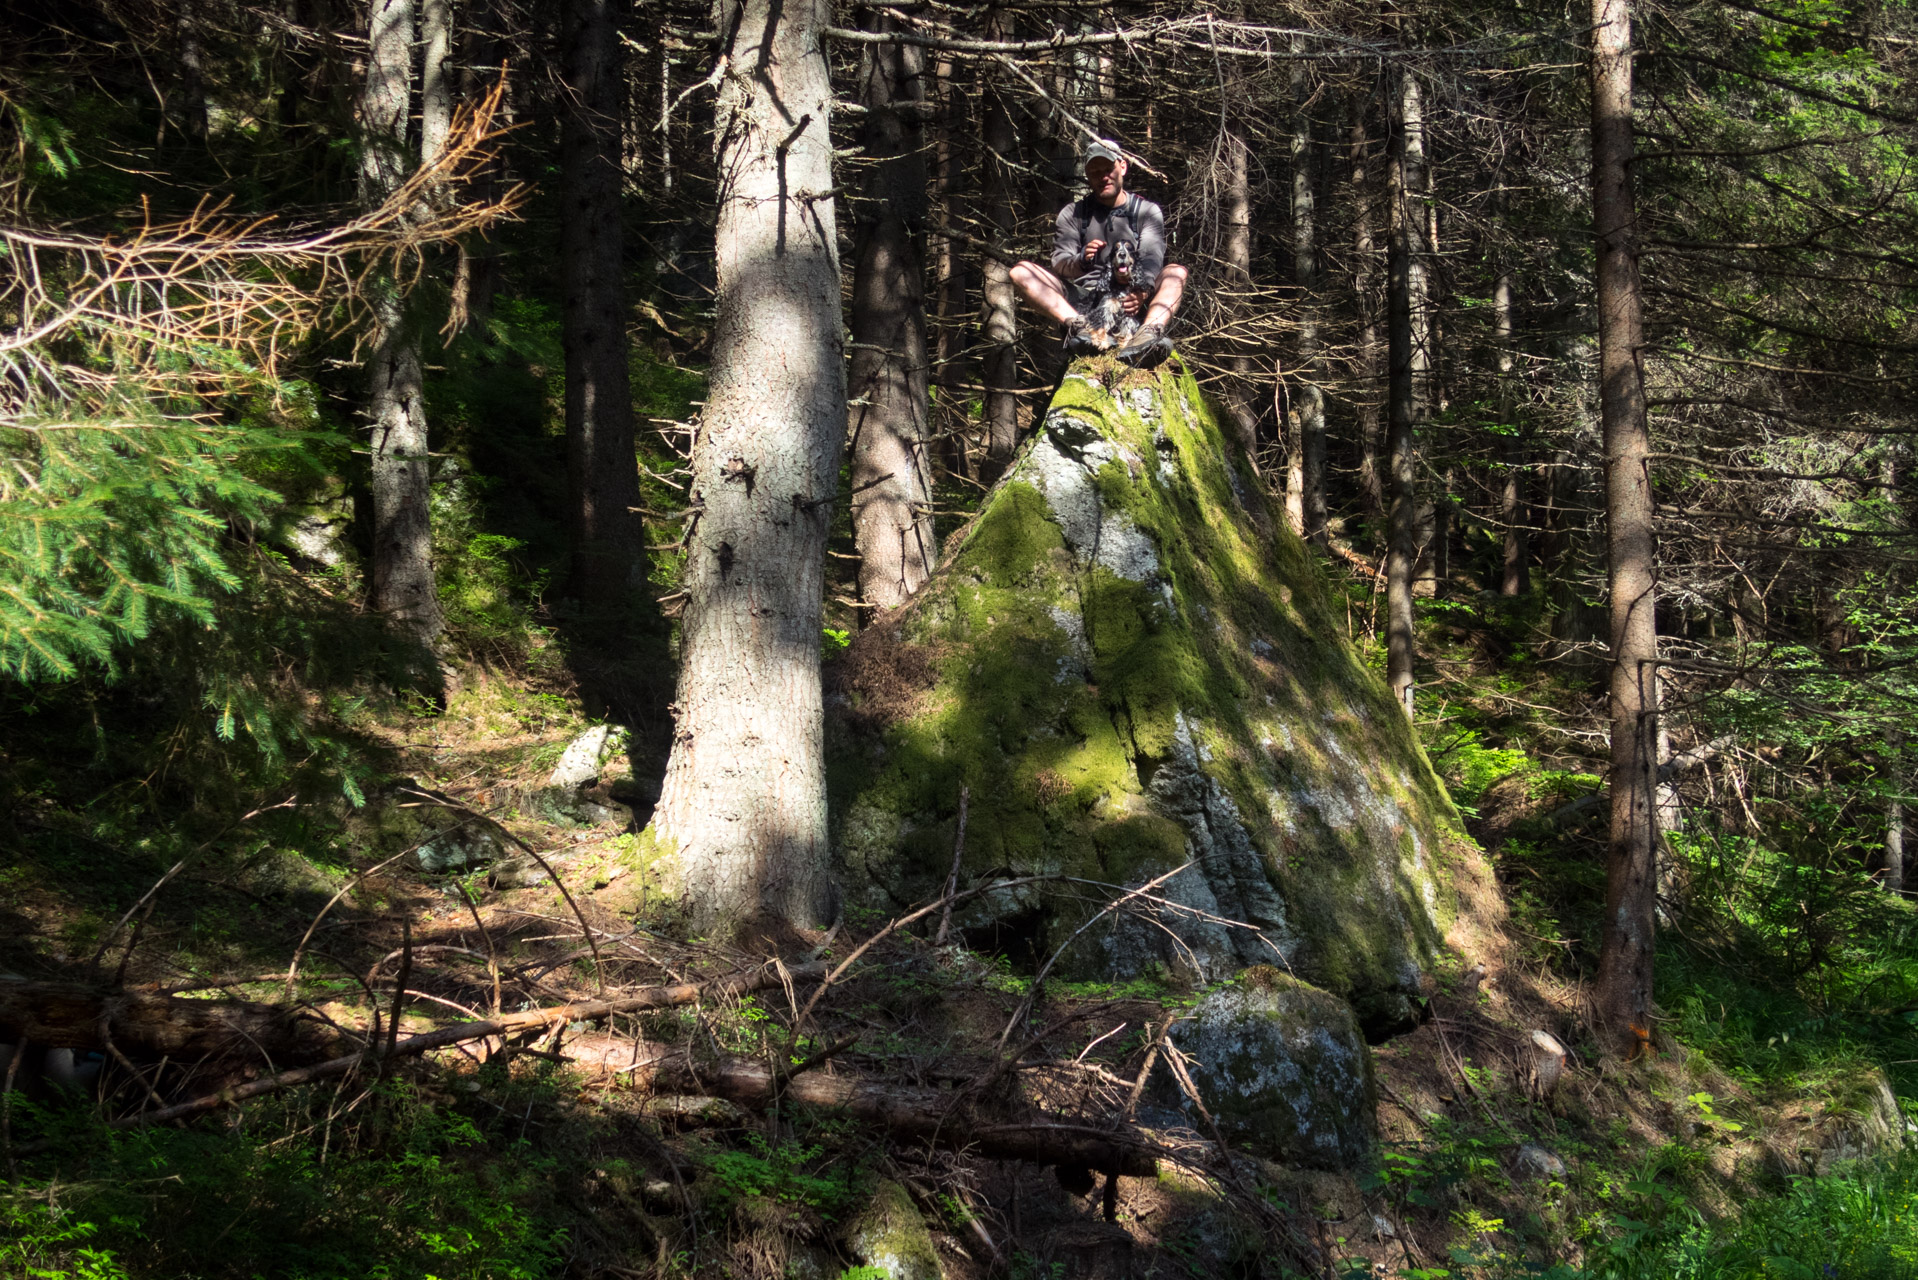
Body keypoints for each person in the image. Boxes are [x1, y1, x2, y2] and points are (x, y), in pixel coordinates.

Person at [1009, 139, 1188, 368]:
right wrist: (1081, 260)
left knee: (1177, 272)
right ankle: (1080, 328)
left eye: (1107, 169)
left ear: (1122, 167)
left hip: (1133, 297)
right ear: (1087, 176)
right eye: (1095, 172)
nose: (1103, 177)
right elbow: (1060, 263)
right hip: (1086, 299)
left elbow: (1152, 257)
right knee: (1020, 272)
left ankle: (1147, 334)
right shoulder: (1073, 213)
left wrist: (1143, 291)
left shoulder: (1146, 211)